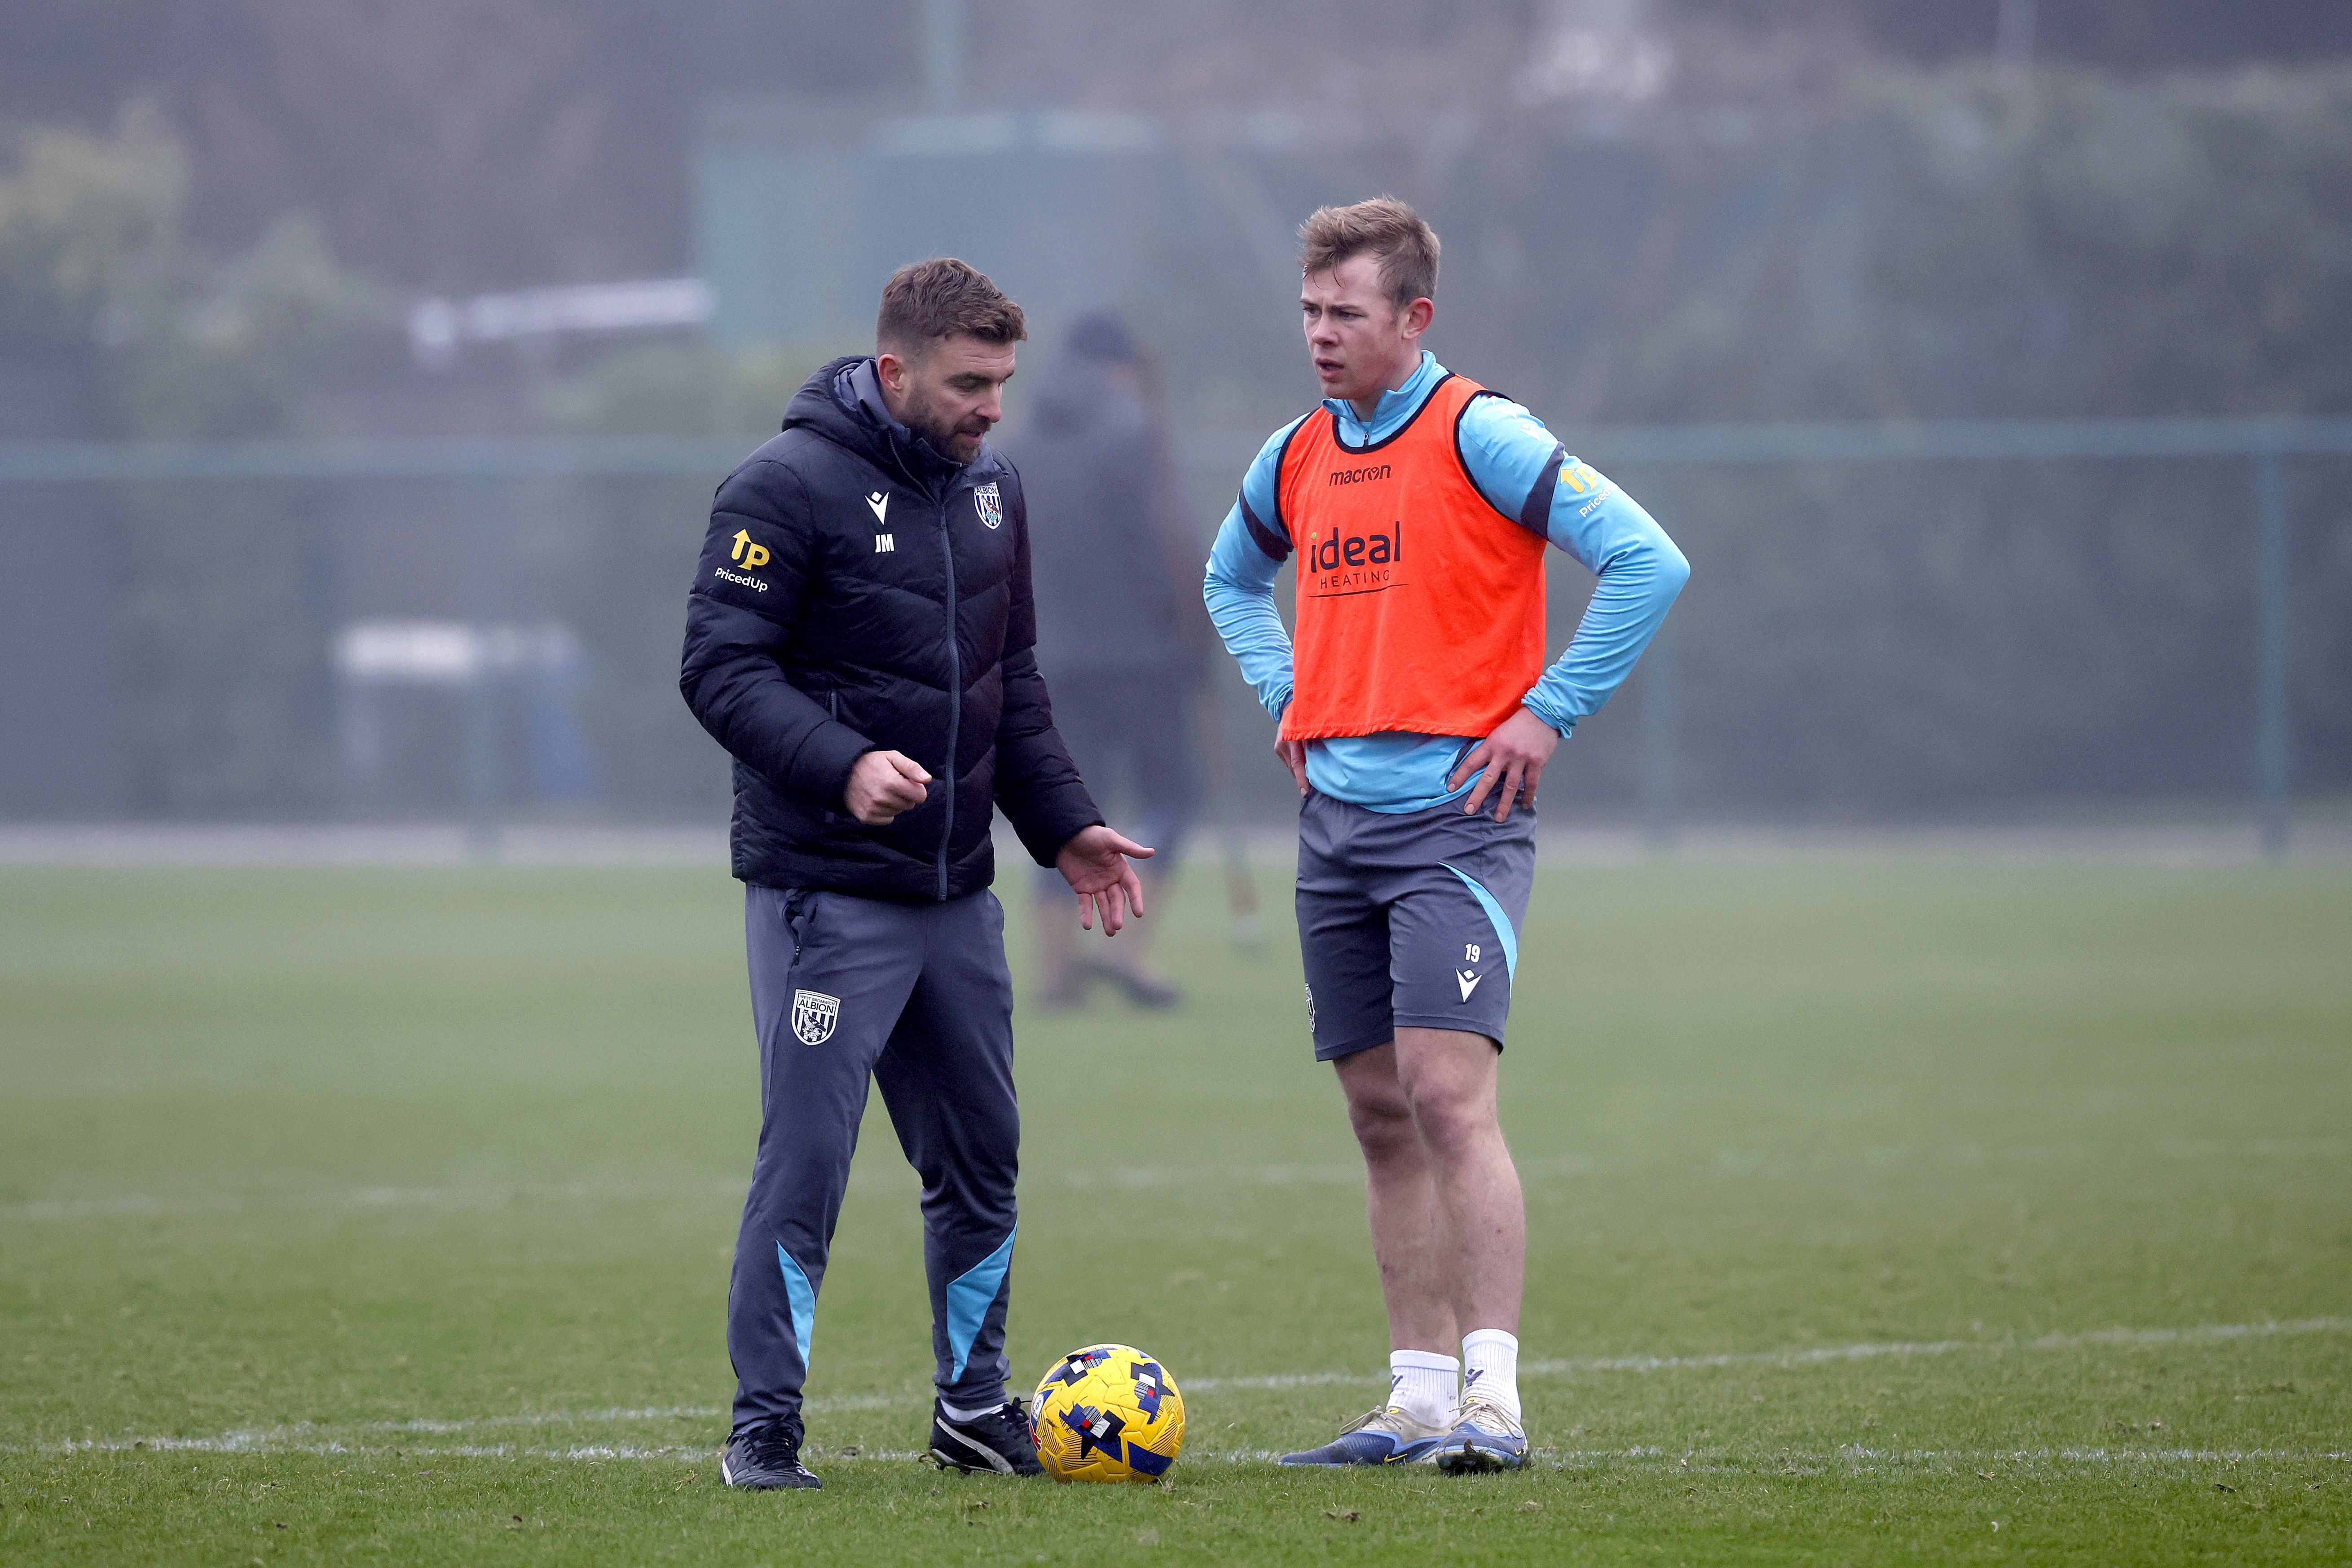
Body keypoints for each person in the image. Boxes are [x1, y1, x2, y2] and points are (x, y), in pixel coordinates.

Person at [1202, 198, 1688, 1472]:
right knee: (1374, 1111)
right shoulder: (1296, 454)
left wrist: (1548, 712)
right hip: (1333, 827)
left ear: (1413, 318)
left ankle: (1493, 1403)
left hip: (1456, 828)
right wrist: (1284, 691)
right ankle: (1412, 1396)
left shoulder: (1482, 432)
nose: (1316, 335)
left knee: (1444, 1095)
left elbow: (1647, 561)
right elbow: (1228, 580)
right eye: (1306, 310)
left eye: (1342, 313)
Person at [681, 257, 1153, 1490]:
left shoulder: (994, 490)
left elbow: (1016, 690)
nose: (992, 405)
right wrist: (841, 765)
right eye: (967, 382)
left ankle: (972, 1405)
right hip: (824, 893)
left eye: (1001, 380)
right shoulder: (780, 487)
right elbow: (720, 670)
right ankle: (765, 1424)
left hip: (956, 896)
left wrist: (1065, 829)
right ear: (892, 371)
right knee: (808, 1160)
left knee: (982, 1157)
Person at [1004, 313, 1205, 1009]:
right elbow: (1171, 546)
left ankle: (1056, 975)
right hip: (1142, 656)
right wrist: (1196, 638)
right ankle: (1123, 952)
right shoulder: (1133, 432)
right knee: (1168, 798)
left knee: (1063, 809)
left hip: (1046, 659)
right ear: (1121, 367)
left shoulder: (1019, 442)